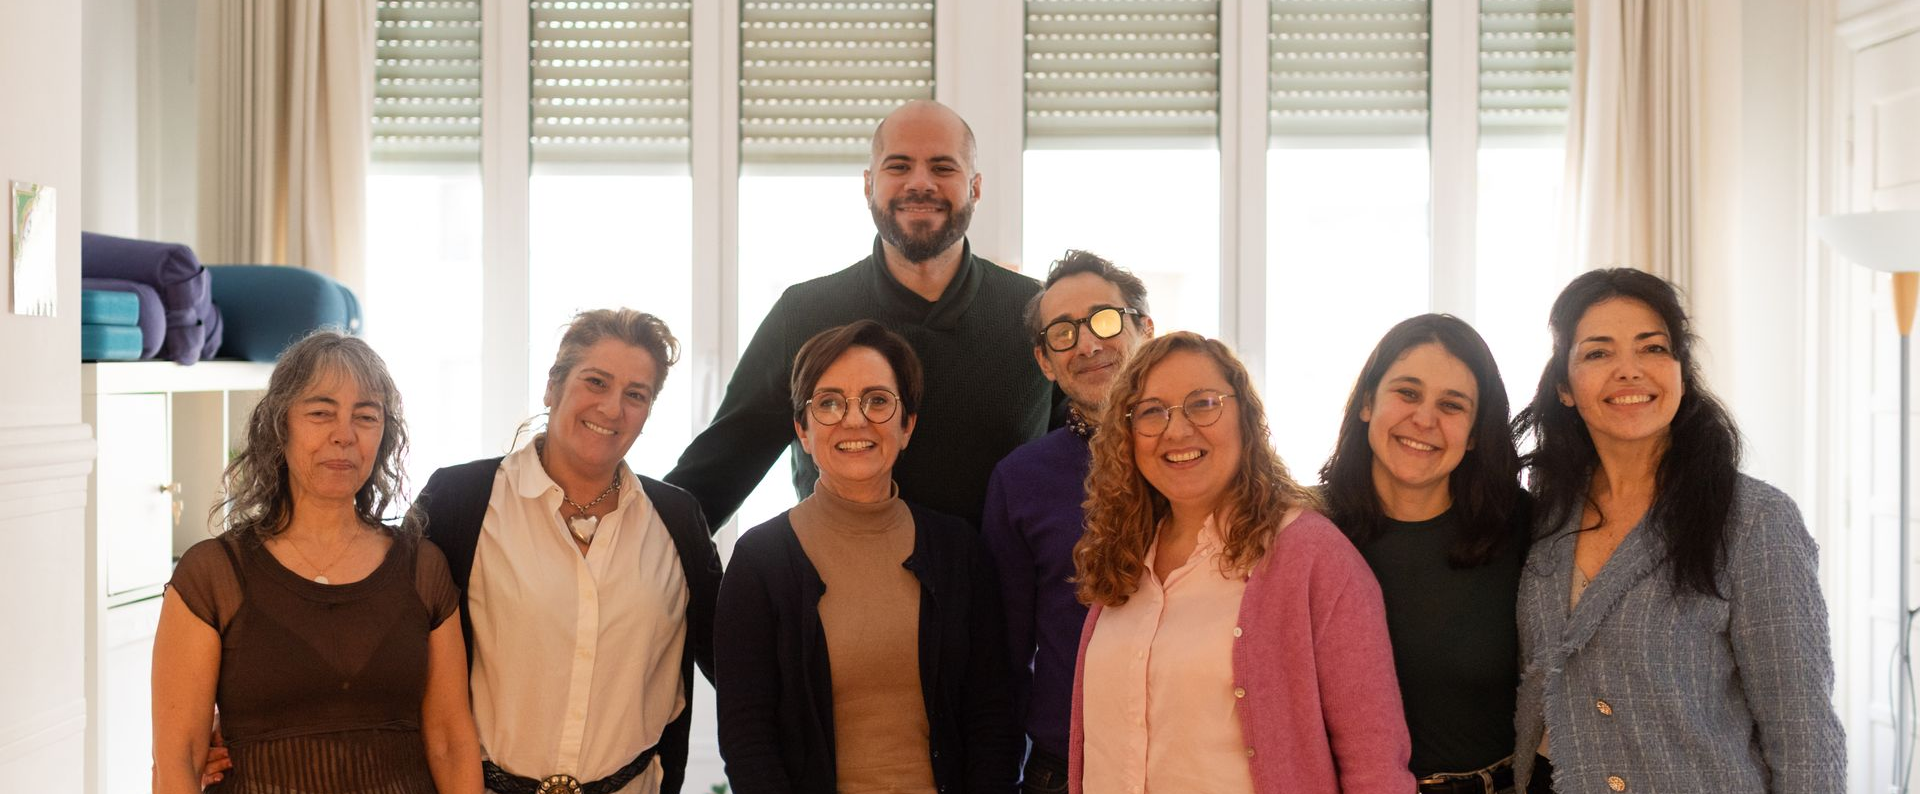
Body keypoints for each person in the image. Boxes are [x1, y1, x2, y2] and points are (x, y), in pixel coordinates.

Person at [1510, 268, 1844, 793]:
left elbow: (1804, 732)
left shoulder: (1754, 518)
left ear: (1680, 371)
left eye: (1653, 348)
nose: (1629, 371)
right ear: (1564, 387)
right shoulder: (1544, 511)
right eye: (1598, 353)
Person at [668, 100, 1054, 529]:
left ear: (976, 188)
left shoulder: (1038, 314)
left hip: (999, 594)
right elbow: (714, 476)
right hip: (833, 589)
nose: (920, 183)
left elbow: (1087, 467)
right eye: (898, 166)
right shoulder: (803, 312)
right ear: (869, 185)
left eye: (943, 168)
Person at [1070, 332, 1414, 794]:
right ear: (1128, 435)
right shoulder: (1125, 555)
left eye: (1203, 403)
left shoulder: (1312, 556)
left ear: (1246, 419)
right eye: (1152, 411)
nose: (1177, 429)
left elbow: (1375, 764)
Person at [152, 330, 482, 794]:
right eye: (321, 413)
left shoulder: (423, 568)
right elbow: (177, 759)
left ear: (383, 435)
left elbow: (451, 741)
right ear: (279, 426)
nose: (343, 435)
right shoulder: (211, 575)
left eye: (365, 416)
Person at [415, 309, 722, 794]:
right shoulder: (460, 501)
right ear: (552, 387)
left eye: (635, 395)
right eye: (595, 382)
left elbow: (731, 659)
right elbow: (403, 655)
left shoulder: (677, 520)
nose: (612, 408)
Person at [715, 320, 1020, 794]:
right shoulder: (760, 561)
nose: (854, 420)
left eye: (877, 401)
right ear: (802, 428)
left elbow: (993, 717)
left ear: (907, 425)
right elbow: (748, 739)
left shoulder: (958, 550)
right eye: (829, 403)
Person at [1319, 314, 1529, 794]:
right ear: (1367, 402)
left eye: (1452, 405)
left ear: (1476, 432)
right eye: (1407, 393)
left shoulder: (1525, 527)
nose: (1424, 419)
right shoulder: (1307, 529)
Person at [980, 250, 1153, 793]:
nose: (1087, 344)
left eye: (1104, 319)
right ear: (1044, 361)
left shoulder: (1202, 456)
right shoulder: (1021, 480)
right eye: (1063, 332)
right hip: (1065, 770)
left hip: (1195, 762)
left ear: (1145, 329)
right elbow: (1000, 661)